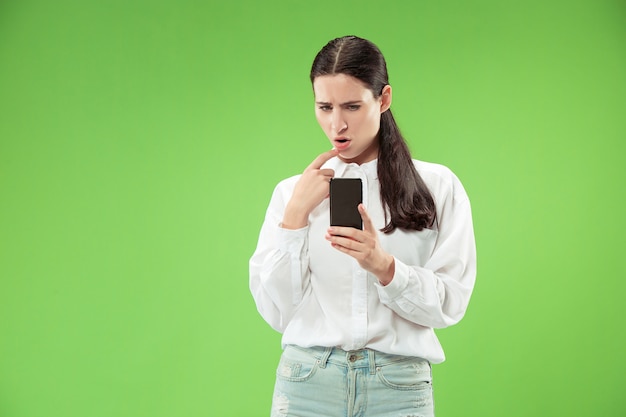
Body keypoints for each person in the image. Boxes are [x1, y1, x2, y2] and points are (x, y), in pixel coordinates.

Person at [249, 35, 476, 417]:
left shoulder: (437, 187)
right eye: (324, 107)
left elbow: (450, 302)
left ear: (384, 99)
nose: (336, 124)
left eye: (352, 106)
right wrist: (295, 218)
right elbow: (278, 311)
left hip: (398, 387)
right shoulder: (293, 192)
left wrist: (385, 268)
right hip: (307, 384)